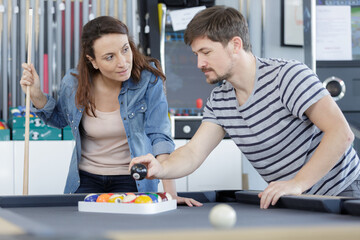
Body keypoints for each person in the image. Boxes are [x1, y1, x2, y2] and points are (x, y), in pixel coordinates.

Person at [130, 6, 360, 209]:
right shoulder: (220, 101)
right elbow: (192, 153)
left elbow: (341, 133)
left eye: (206, 52)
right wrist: (161, 167)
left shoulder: (288, 76)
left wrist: (298, 184)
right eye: (196, 54)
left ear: (235, 45)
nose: (199, 63)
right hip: (295, 199)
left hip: (343, 193)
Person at [20, 16, 201, 207]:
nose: (123, 62)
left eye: (125, 49)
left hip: (134, 179)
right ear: (93, 61)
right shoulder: (73, 83)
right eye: (109, 57)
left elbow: (160, 136)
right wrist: (37, 93)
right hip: (84, 180)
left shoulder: (149, 80)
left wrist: (170, 194)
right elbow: (59, 120)